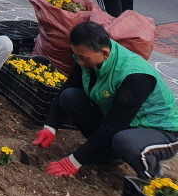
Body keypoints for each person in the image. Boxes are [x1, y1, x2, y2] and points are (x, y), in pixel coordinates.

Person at [35, 21, 178, 180]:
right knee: (70, 96)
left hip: (161, 130)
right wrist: (50, 127)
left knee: (125, 141)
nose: (79, 62)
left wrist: (74, 161)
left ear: (104, 53)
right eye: (76, 55)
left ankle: (153, 175)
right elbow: (68, 87)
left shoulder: (135, 77)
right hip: (123, 122)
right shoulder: (87, 56)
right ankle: (108, 155)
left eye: (83, 57)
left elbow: (113, 126)